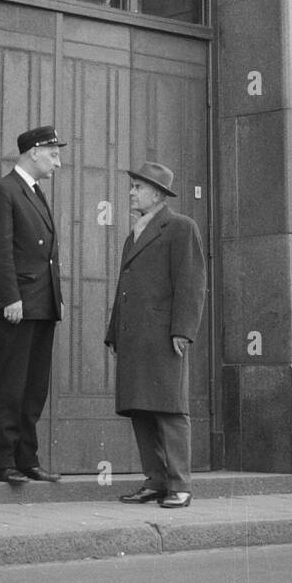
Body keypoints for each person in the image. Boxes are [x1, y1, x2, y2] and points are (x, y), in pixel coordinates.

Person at [105, 161, 207, 507]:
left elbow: (191, 285)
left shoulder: (180, 227)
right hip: (134, 337)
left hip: (164, 336)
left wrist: (183, 331)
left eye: (138, 187)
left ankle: (180, 484)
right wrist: (113, 333)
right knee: (140, 408)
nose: (132, 192)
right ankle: (156, 480)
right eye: (132, 186)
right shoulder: (135, 232)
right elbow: (125, 287)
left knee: (169, 409)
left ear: (159, 194)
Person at [0, 125, 66, 484]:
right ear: (34, 151)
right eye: (53, 154)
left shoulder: (34, 192)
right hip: (16, 307)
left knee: (34, 388)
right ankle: (2, 464)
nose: (57, 163)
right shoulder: (4, 191)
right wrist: (10, 298)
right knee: (10, 386)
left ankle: (26, 460)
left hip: (42, 306)